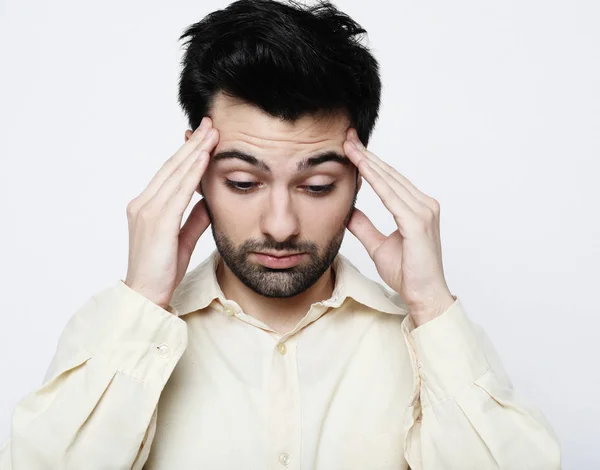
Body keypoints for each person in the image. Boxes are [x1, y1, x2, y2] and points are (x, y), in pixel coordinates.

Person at [0, 0, 561, 468]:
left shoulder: (426, 344)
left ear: (362, 175)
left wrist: (432, 307)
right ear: (193, 166)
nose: (280, 226)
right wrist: (145, 300)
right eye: (243, 181)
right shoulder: (120, 332)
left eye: (317, 185)